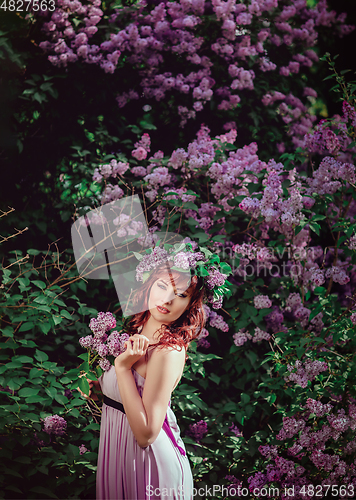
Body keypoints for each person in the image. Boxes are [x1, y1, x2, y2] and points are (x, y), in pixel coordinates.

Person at [92, 243, 232, 500]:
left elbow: (146, 435)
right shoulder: (136, 333)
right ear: (148, 285)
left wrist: (122, 369)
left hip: (148, 469)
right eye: (161, 285)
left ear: (191, 304)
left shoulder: (168, 352)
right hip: (118, 456)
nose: (167, 299)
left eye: (181, 294)